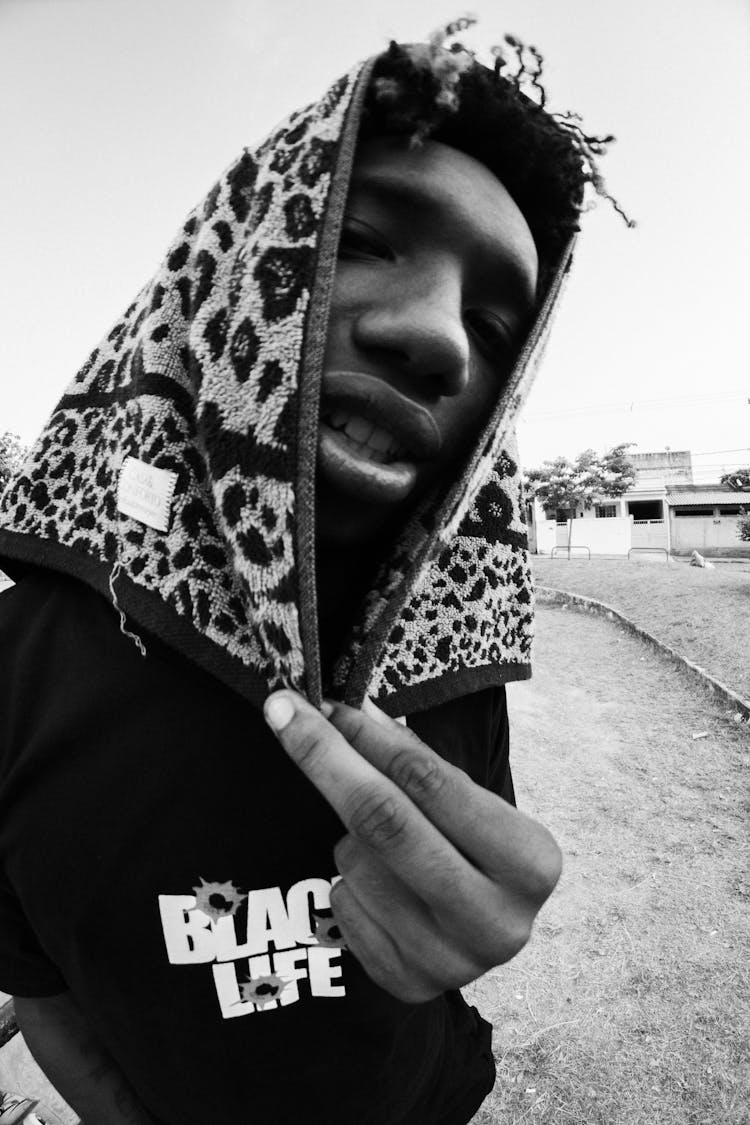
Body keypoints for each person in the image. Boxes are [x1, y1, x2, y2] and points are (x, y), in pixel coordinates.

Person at [0, 20, 630, 1125]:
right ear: (235, 266)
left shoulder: (449, 662)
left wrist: (476, 934)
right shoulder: (18, 664)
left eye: (496, 323)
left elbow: (450, 917)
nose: (443, 340)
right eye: (369, 240)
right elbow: (39, 986)